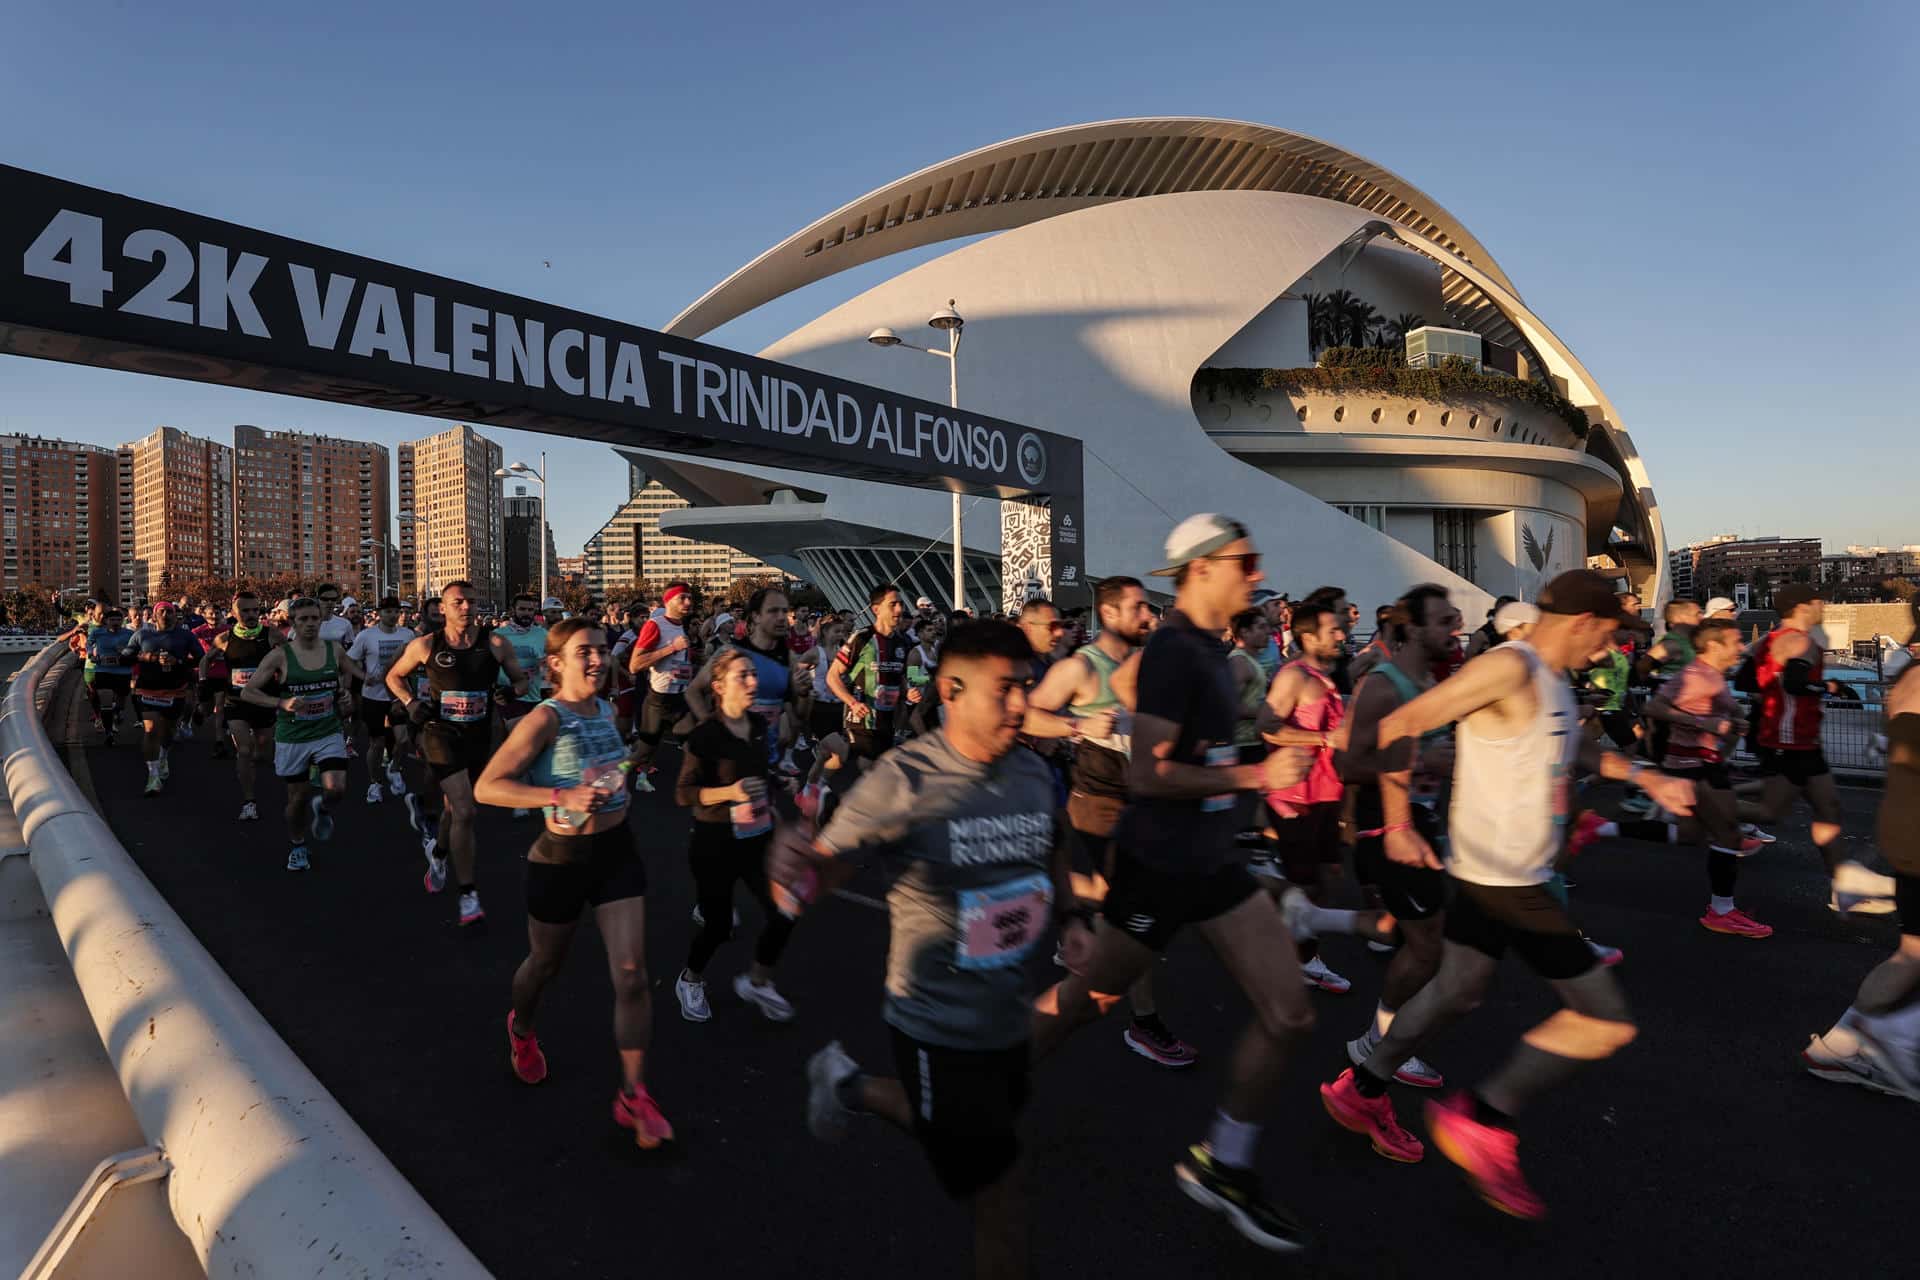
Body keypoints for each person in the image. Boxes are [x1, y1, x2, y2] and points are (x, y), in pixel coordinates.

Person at [1319, 570, 1697, 1219]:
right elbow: (1400, 725)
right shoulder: (1510, 669)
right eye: (1607, 636)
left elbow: (1570, 744)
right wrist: (1401, 824)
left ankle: (1363, 1086)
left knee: (1456, 990)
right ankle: (1487, 1119)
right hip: (1504, 882)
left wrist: (1642, 773)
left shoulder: (1550, 678)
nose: (1608, 652)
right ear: (1582, 623)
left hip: (1502, 874)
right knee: (1604, 1021)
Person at [1026, 514, 1322, 1253]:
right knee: (1086, 1000)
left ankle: (1226, 1163)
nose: (1256, 572)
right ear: (1200, 568)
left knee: (1289, 1016)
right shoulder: (1172, 654)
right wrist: (1255, 773)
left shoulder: (1217, 654)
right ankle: (982, 1079)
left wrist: (1274, 753)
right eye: (1243, 560)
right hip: (1159, 864)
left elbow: (1219, 746)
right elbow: (1152, 772)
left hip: (1212, 862)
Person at [780, 621, 1071, 1279]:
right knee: (1001, 1193)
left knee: (962, 1137)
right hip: (935, 1024)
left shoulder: (1030, 768)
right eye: (1006, 690)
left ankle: (848, 1083)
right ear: (951, 691)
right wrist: (794, 865)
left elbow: (1052, 840)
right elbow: (823, 869)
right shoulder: (901, 779)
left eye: (1027, 686)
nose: (1023, 704)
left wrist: (1074, 912)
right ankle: (855, 1085)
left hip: (1007, 1010)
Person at [473, 617, 671, 1146]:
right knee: (545, 965)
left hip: (615, 851)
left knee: (631, 974)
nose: (598, 660)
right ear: (555, 664)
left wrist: (623, 770)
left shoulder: (607, 710)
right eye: (585, 651)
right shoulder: (544, 717)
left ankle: (633, 1094)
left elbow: (605, 769)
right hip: (559, 858)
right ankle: (521, 1028)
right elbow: (490, 787)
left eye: (602, 650)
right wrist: (559, 797)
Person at [1026, 576, 1195, 1068]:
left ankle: (1069, 915)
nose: (1149, 616)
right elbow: (1027, 716)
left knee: (1145, 909)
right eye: (1139, 608)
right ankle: (1141, 1023)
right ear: (1111, 614)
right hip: (1098, 805)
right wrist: (1077, 726)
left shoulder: (1144, 667)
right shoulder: (1081, 667)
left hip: (1144, 802)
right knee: (1135, 914)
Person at [1335, 584, 1462, 1091]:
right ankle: (1379, 1042)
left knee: (1426, 940)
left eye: (1455, 620)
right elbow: (1346, 763)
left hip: (1421, 822)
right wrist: (1421, 762)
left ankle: (1383, 1036)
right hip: (1384, 825)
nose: (1454, 629)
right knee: (1428, 947)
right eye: (1444, 622)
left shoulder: (1431, 680)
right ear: (1412, 628)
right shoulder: (1383, 687)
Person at [1804, 599, 1920, 1098]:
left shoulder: (1907, 676)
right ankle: (1881, 1043)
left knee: (1912, 955)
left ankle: (1843, 1046)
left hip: (1905, 828)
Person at [385, 581, 530, 927]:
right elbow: (394, 676)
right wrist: (411, 702)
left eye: (471, 601)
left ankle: (437, 853)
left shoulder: (495, 643)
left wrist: (510, 693)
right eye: (458, 602)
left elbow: (522, 681)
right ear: (444, 609)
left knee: (456, 809)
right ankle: (468, 893)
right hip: (439, 733)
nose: (467, 607)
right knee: (465, 810)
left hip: (480, 734)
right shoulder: (425, 645)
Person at [673, 647, 797, 1023]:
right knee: (719, 925)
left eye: (753, 674)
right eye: (742, 675)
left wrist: (782, 782)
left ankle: (758, 980)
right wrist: (730, 793)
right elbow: (683, 794)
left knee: (784, 912)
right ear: (719, 686)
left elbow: (763, 771)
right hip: (715, 842)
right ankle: (690, 979)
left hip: (758, 837)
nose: (752, 682)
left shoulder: (759, 726)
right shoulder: (705, 736)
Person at [1259, 600, 1353, 994]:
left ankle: (1290, 946)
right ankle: (1299, 960)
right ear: (1308, 636)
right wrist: (1324, 738)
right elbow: (1267, 726)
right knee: (1304, 882)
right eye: (1333, 630)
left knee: (1323, 878)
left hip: (1326, 793)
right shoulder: (1293, 677)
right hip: (1294, 795)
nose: (1342, 635)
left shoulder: (1326, 675)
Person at [237, 597, 363, 871]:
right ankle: (298, 844)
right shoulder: (279, 655)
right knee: (297, 800)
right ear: (292, 623)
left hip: (328, 730)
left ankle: (323, 807)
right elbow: (249, 691)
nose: (309, 624)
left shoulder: (335, 650)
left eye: (314, 619)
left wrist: (343, 700)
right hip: (293, 736)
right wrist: (281, 703)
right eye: (303, 619)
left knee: (336, 788)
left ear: (321, 620)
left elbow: (341, 690)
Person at [204, 591, 282, 820]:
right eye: (245, 611)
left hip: (264, 701)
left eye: (255, 610)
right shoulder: (225, 639)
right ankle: (249, 800)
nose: (251, 615)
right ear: (234, 613)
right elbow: (206, 659)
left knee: (263, 747)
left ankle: (255, 758)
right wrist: (202, 682)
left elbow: (289, 658)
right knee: (244, 750)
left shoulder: (272, 635)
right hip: (236, 702)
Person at [828, 583, 922, 763]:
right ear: (876, 609)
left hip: (887, 720)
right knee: (868, 766)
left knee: (866, 767)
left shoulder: (902, 642)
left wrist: (908, 691)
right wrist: (853, 702)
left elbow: (901, 677)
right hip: (861, 719)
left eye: (901, 604)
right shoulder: (862, 638)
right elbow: (832, 677)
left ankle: (816, 784)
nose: (899, 609)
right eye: (893, 604)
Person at [625, 583, 698, 792]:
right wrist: (671, 648)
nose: (688, 602)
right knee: (643, 751)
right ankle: (612, 777)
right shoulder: (655, 625)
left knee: (696, 740)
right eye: (682, 598)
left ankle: (695, 784)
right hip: (659, 701)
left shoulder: (682, 625)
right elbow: (634, 664)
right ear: (668, 600)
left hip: (680, 698)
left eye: (689, 598)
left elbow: (680, 660)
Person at [127, 601, 204, 795]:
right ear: (154, 616)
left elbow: (200, 657)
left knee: (168, 732)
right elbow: (125, 658)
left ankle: (163, 756)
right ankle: (153, 776)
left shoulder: (185, 636)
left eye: (170, 611)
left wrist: (178, 661)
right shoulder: (142, 635)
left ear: (175, 616)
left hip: (175, 690)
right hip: (147, 690)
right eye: (161, 611)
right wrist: (145, 658)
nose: (165, 614)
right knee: (150, 730)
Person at [347, 597, 416, 805]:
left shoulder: (408, 634)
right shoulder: (367, 636)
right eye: (388, 612)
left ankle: (394, 769)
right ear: (379, 613)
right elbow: (349, 661)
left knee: (403, 740)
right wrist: (362, 676)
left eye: (396, 611)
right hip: (373, 696)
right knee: (376, 744)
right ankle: (374, 783)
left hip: (399, 695)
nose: (393, 615)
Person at [85, 606, 136, 745]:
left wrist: (126, 651)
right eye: (112, 619)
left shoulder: (129, 634)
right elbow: (88, 644)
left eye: (118, 620)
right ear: (106, 621)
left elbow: (136, 649)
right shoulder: (97, 633)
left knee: (120, 704)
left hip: (123, 672)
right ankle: (108, 733)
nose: (115, 622)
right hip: (103, 670)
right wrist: (91, 654)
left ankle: (117, 712)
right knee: (106, 703)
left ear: (122, 621)